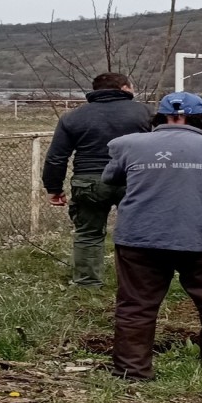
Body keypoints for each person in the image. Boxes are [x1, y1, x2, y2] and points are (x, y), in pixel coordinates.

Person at [101, 92, 202, 380]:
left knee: (136, 305)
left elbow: (110, 179)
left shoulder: (126, 145)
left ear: (161, 116)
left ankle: (131, 371)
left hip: (138, 239)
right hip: (201, 241)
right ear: (200, 118)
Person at [42, 73, 154, 287]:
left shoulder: (73, 117)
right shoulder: (146, 112)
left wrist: (54, 188)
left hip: (89, 181)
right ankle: (142, 282)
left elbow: (56, 157)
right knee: (139, 233)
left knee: (88, 234)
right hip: (135, 180)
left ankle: (87, 283)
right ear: (125, 88)